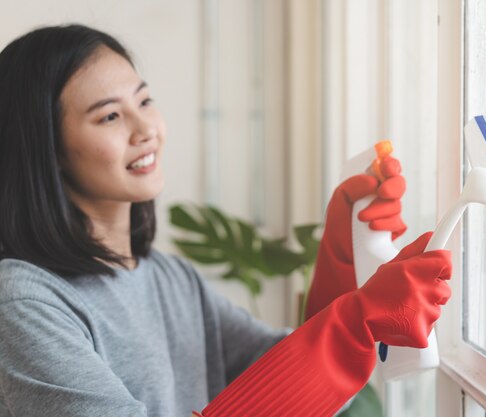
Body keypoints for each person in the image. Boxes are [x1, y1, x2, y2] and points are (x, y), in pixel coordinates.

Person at [0, 24, 452, 417]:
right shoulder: (25, 302)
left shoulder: (169, 278)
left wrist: (343, 256)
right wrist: (355, 322)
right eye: (111, 116)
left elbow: (302, 390)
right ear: (48, 150)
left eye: (145, 101)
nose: (147, 129)